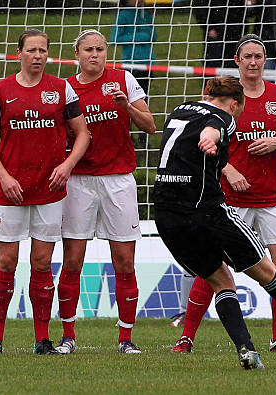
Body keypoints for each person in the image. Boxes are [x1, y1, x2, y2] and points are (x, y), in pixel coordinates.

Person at [153, 75, 276, 369]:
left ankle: (247, 351)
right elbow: (213, 130)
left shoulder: (180, 110)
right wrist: (209, 140)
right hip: (206, 211)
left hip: (165, 215)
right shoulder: (223, 116)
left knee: (221, 281)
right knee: (265, 270)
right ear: (235, 104)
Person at [170, 34, 276, 354]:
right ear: (237, 61)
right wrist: (228, 168)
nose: (253, 62)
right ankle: (186, 337)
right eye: (247, 57)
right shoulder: (223, 97)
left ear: (265, 60)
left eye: (258, 56)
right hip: (231, 197)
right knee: (213, 268)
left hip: (274, 195)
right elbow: (201, 142)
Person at [0, 29, 91, 355]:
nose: (38, 56)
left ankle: (42, 339)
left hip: (49, 189)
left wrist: (67, 165)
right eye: (32, 50)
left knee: (42, 263)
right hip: (11, 189)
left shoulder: (61, 88)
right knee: (7, 261)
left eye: (43, 50)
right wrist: (3, 175)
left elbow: (82, 134)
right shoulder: (1, 91)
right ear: (19, 54)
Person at [55, 29, 156, 355]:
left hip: (119, 180)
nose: (95, 54)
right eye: (88, 49)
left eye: (100, 49)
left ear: (106, 52)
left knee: (125, 261)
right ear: (77, 54)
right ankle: (68, 337)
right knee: (72, 261)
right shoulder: (66, 88)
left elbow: (150, 126)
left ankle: (126, 339)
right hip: (80, 182)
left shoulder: (123, 79)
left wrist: (125, 105)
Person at [111, 0, 157, 96]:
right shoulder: (123, 15)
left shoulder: (146, 14)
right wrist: (139, 36)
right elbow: (115, 39)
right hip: (131, 63)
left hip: (148, 62)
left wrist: (148, 30)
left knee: (144, 95)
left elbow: (154, 37)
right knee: (131, 96)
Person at [193, 0, 248, 68]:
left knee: (233, 62)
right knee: (213, 62)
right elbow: (200, 8)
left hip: (235, 32)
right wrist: (209, 28)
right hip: (216, 32)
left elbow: (242, 10)